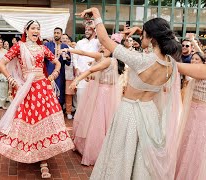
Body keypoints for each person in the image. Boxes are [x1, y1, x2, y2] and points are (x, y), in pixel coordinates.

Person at [77, 8, 182, 179]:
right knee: (142, 159)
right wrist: (143, 31)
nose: (141, 37)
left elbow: (103, 39)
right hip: (150, 114)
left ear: (152, 38)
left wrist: (96, 14)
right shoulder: (172, 65)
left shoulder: (141, 60)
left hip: (129, 113)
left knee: (120, 156)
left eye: (143, 34)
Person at [0, 20, 74, 179]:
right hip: (26, 90)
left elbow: (57, 63)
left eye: (38, 28)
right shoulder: (19, 47)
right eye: (33, 28)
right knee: (28, 121)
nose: (36, 30)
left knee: (45, 123)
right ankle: (29, 151)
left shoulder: (43, 48)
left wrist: (53, 76)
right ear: (27, 30)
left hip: (42, 88)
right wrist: (12, 80)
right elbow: (1, 64)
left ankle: (43, 161)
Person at [66, 43, 124, 166]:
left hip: (106, 95)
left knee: (102, 122)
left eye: (106, 46)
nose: (103, 48)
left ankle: (99, 151)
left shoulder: (111, 61)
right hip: (101, 93)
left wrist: (77, 79)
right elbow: (84, 53)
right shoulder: (102, 57)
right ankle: (89, 147)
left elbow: (92, 70)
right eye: (101, 46)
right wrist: (69, 50)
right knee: (95, 120)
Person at [175, 52, 206, 180]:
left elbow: (176, 66)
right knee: (187, 143)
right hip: (192, 112)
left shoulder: (202, 69)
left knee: (197, 147)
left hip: (202, 115)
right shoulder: (201, 68)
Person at [73, 23, 100, 107]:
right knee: (80, 99)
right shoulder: (80, 42)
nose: (87, 31)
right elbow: (75, 56)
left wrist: (95, 28)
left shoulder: (97, 42)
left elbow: (103, 39)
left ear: (94, 32)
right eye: (86, 30)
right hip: (81, 75)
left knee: (92, 101)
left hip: (93, 76)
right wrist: (76, 68)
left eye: (89, 29)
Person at [44, 27, 71, 108]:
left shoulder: (65, 46)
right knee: (48, 92)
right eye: (55, 33)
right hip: (49, 72)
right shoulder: (47, 45)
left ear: (61, 34)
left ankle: (59, 112)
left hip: (60, 74)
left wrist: (67, 57)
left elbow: (68, 63)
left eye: (58, 33)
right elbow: (43, 59)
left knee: (60, 93)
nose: (56, 34)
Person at [61, 34, 75, 119]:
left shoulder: (72, 50)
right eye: (63, 38)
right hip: (59, 75)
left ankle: (69, 111)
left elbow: (75, 62)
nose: (65, 40)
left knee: (69, 94)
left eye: (66, 38)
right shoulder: (58, 49)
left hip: (69, 75)